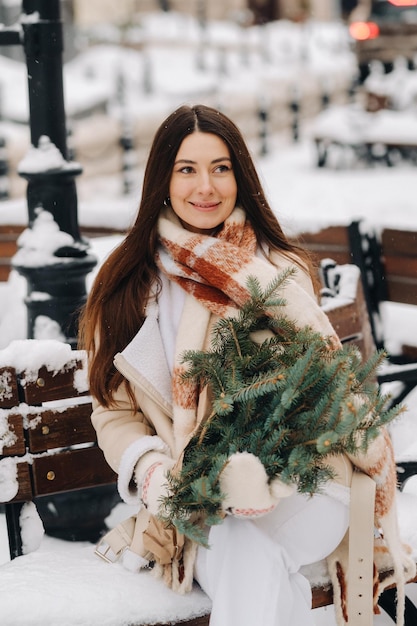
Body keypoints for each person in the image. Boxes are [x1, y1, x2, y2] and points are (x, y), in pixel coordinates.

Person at [78, 104, 413, 626]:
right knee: (242, 549)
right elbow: (113, 412)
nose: (205, 186)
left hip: (308, 484)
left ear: (241, 176)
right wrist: (152, 471)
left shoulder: (276, 272)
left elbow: (317, 391)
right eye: (187, 168)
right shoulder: (127, 285)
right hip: (196, 502)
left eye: (221, 167)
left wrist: (261, 465)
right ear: (162, 178)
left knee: (243, 543)